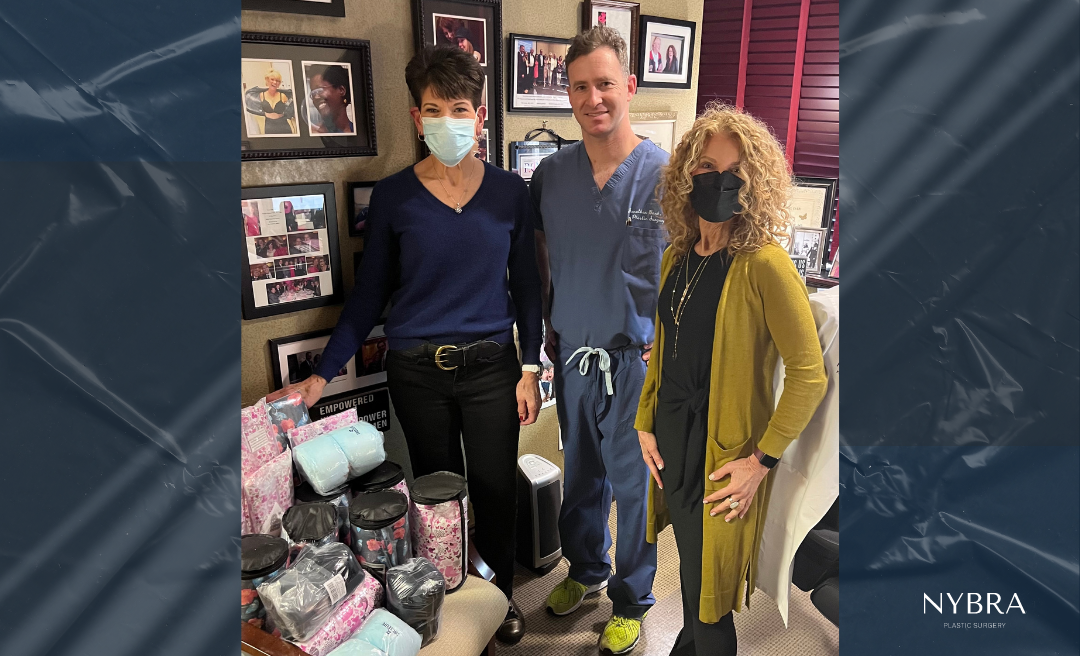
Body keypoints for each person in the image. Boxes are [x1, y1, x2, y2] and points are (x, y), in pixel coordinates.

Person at [267, 45, 541, 645]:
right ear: (417, 117)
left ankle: (499, 597)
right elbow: (368, 299)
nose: (447, 120)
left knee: (495, 490)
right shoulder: (393, 197)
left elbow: (528, 285)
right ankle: (453, 593)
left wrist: (530, 366)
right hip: (417, 372)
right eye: (434, 109)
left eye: (460, 107)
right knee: (437, 497)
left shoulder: (509, 194)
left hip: (494, 367)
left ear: (480, 115)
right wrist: (321, 376)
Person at [635, 104, 827, 656]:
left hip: (724, 455)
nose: (719, 182)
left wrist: (759, 462)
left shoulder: (765, 264)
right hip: (671, 439)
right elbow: (664, 353)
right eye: (706, 168)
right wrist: (645, 423)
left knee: (710, 599)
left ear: (754, 182)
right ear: (684, 177)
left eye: (735, 172)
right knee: (694, 585)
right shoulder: (677, 256)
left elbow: (809, 377)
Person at [531, 26, 668, 655]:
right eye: (580, 86)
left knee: (634, 485)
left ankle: (633, 597)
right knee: (580, 472)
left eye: (605, 83)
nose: (594, 98)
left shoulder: (665, 176)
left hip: (636, 361)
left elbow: (684, 275)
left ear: (629, 86)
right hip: (574, 357)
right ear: (569, 94)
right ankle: (585, 572)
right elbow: (542, 264)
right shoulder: (551, 176)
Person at [308, 65, 353, 134]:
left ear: (341, 90)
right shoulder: (315, 134)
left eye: (320, 90)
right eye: (313, 93)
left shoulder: (359, 132)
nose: (316, 97)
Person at [260, 69, 295, 135]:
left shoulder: (283, 96)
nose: (275, 82)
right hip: (269, 126)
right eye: (272, 79)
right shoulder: (262, 95)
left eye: (277, 81)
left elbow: (291, 110)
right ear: (267, 80)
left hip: (283, 126)